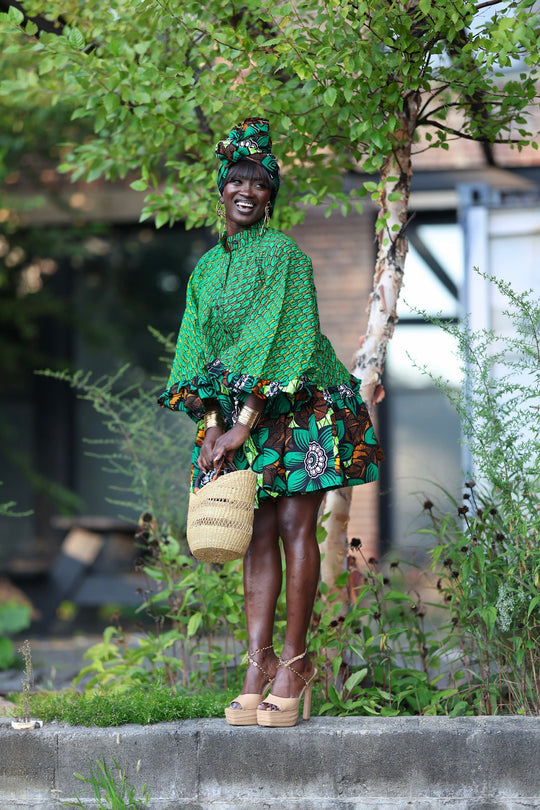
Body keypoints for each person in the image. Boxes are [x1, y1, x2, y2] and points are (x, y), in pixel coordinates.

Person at [158, 117, 383, 728]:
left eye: (259, 184)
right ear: (222, 189)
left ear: (270, 194)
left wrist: (242, 422)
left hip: (301, 405)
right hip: (236, 416)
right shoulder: (206, 270)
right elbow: (195, 348)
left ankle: (295, 662)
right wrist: (210, 422)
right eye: (237, 181)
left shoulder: (283, 254)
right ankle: (256, 667)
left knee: (292, 526)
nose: (247, 193)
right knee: (254, 533)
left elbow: (287, 339)